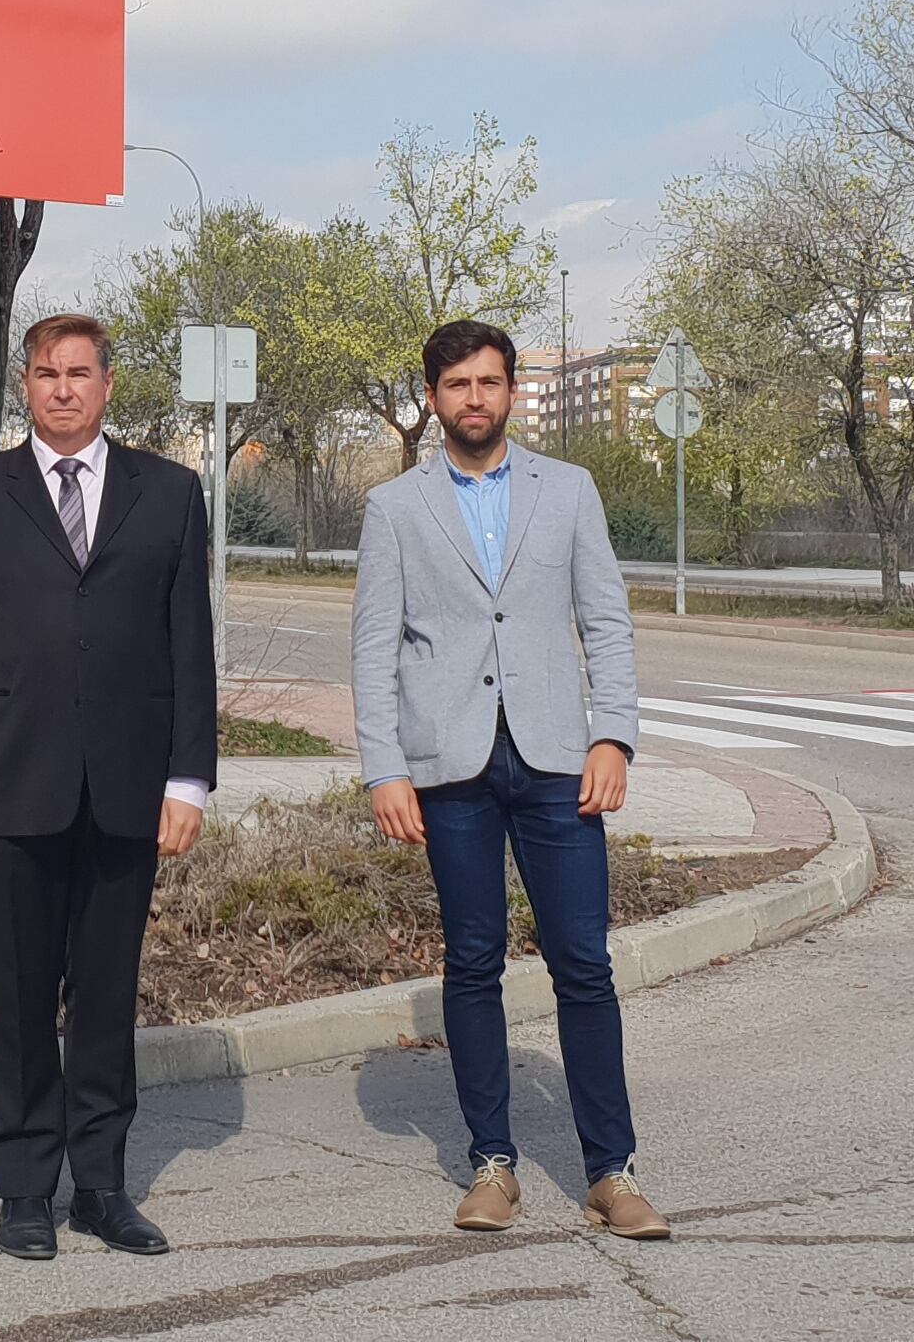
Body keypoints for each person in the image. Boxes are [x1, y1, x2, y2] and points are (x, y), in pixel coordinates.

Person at [0, 312, 218, 1261]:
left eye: (80, 373)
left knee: (107, 998)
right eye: (46, 374)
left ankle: (103, 1186)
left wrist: (188, 780)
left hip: (128, 787)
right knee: (19, 995)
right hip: (8, 784)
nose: (63, 390)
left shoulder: (169, 494)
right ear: (24, 384)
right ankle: (24, 1190)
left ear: (109, 384)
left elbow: (189, 648)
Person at [348, 319, 666, 1240]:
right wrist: (385, 769)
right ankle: (493, 1163)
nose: (474, 399)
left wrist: (615, 738)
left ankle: (613, 1171)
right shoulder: (395, 508)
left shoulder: (567, 492)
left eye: (490, 383)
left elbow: (606, 622)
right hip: (449, 768)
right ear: (433, 398)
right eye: (457, 386)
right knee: (474, 961)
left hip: (559, 762)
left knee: (583, 963)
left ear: (512, 392)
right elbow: (374, 650)